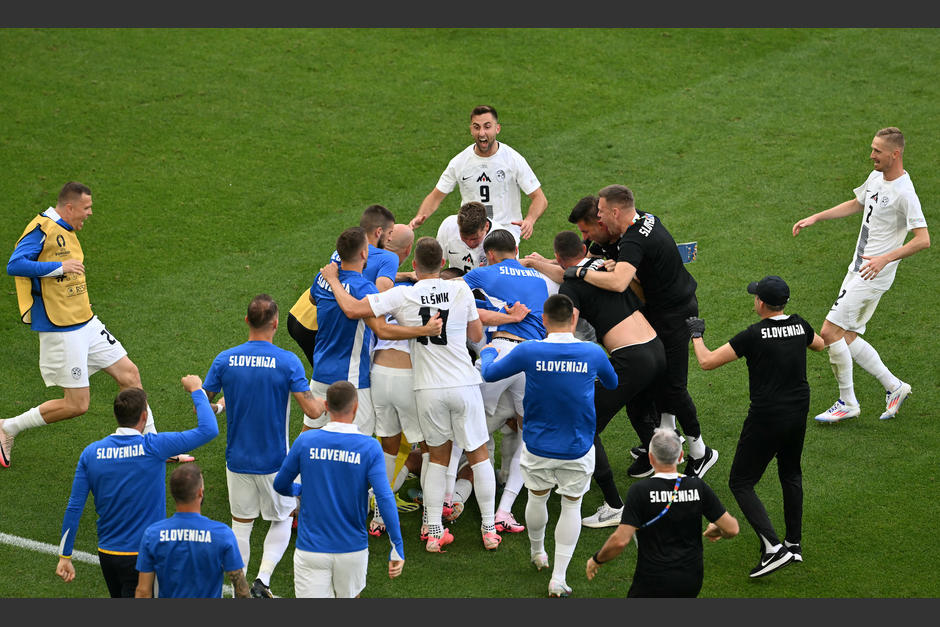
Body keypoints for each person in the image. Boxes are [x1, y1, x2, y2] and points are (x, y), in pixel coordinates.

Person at [318, 236, 502, 553]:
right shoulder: (460, 289)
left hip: (419, 385)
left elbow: (353, 310)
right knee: (477, 454)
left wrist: (334, 280)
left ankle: (431, 531)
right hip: (459, 383)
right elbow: (475, 335)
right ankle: (488, 529)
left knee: (430, 456)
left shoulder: (403, 295)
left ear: (414, 265)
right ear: (443, 263)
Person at [2, 181, 192, 468]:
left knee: (130, 375)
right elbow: (14, 264)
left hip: (85, 322)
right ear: (69, 207)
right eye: (86, 207)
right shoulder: (42, 229)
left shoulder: (66, 230)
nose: (90, 213)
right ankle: (7, 427)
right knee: (77, 405)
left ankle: (152, 445)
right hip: (61, 329)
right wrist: (59, 268)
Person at [480, 293, 618, 597]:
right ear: (573, 320)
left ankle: (537, 553)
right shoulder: (592, 353)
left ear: (543, 320)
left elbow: (488, 373)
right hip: (578, 447)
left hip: (537, 445)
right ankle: (558, 577)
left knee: (538, 498)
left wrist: (489, 352)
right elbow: (612, 383)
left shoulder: (529, 351)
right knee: (571, 505)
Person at [687, 275, 825, 577]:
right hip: (798, 412)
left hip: (766, 417)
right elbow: (821, 344)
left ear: (761, 303)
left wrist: (696, 335)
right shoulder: (800, 325)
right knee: (790, 472)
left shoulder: (754, 335)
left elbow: (707, 362)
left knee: (740, 481)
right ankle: (794, 545)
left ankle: (773, 548)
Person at [792, 126, 929, 423]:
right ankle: (894, 387)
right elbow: (857, 204)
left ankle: (848, 401)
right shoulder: (876, 178)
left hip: (873, 274)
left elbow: (923, 239)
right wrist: (817, 216)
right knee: (848, 335)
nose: (872, 155)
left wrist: (884, 259)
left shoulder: (905, 193)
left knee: (829, 333)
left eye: (878, 151)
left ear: (896, 154)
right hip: (858, 268)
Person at [584, 184, 717, 479]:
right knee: (653, 379)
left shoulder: (633, 241)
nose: (600, 217)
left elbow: (619, 282)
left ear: (616, 211)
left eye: (602, 212)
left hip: (675, 314)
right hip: (660, 310)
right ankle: (662, 440)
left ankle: (700, 451)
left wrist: (583, 273)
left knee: (673, 385)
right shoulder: (644, 219)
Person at [201, 293, 328, 598]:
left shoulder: (226, 359)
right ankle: (263, 581)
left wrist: (217, 406)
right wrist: (331, 402)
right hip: (274, 461)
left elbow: (202, 402)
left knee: (241, 526)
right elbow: (312, 411)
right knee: (282, 518)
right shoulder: (287, 362)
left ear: (247, 321)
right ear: (275, 323)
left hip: (237, 459)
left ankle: (239, 591)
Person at [55, 375, 219, 597]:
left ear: (116, 416)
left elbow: (74, 507)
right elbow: (209, 430)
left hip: (108, 556)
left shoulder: (90, 453)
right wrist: (197, 390)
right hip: (146, 556)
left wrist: (65, 556)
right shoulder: (154, 446)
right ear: (144, 416)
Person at [551, 230, 666, 527]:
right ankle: (672, 482)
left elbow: (568, 325)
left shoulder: (572, 283)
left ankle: (614, 506)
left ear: (559, 257)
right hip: (655, 347)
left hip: (631, 358)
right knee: (641, 413)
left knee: (586, 424)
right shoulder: (602, 265)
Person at [305, 227, 441, 435]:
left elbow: (313, 299)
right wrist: (423, 329)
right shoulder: (364, 289)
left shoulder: (322, 278)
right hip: (351, 377)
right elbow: (383, 330)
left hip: (321, 372)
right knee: (360, 441)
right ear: (363, 253)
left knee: (310, 434)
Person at [274, 381, 405, 598]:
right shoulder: (369, 447)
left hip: (311, 548)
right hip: (352, 549)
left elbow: (280, 484)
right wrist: (397, 545)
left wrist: (299, 489)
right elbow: (384, 496)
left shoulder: (306, 440)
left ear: (326, 405)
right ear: (355, 407)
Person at [463, 227, 550, 533]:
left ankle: (450, 497)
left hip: (499, 351)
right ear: (515, 249)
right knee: (528, 434)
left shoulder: (484, 273)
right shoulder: (539, 279)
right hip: (533, 362)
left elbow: (450, 298)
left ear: (489, 255)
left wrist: (496, 310)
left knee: (469, 430)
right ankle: (505, 509)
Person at [585, 428, 739, 598]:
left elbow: (620, 541)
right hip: (690, 580)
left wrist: (597, 560)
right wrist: (717, 529)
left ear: (651, 458)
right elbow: (732, 529)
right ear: (680, 457)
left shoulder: (640, 491)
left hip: (652, 581)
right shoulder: (698, 487)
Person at [408, 105, 547, 240]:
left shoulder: (513, 159)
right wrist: (420, 216)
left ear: (497, 128)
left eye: (487, 127)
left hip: (505, 232)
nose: (481, 133)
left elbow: (540, 198)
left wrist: (530, 220)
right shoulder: (459, 162)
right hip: (471, 232)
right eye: (476, 127)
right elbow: (436, 196)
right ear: (471, 129)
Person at [287, 204, 399, 369]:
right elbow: (378, 300)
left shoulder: (346, 247)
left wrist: (401, 275)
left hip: (299, 313)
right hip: (319, 325)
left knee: (323, 373)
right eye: (390, 233)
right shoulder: (389, 258)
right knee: (338, 378)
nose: (390, 239)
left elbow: (355, 274)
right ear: (378, 232)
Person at [135, 463, 249, 598]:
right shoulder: (222, 534)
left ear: (173, 493)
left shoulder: (152, 535)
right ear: (200, 492)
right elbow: (241, 590)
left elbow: (143, 591)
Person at [436, 200, 512, 273]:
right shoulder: (448, 226)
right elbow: (435, 264)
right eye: (464, 238)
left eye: (475, 238)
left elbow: (508, 276)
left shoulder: (502, 240)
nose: (470, 243)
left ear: (486, 226)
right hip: (456, 282)